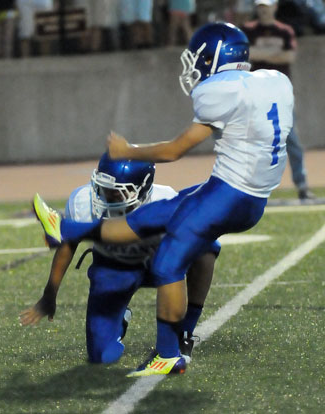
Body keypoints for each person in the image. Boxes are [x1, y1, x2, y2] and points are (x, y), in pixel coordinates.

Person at [32, 22, 294, 376]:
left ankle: (169, 354)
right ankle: (65, 227)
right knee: (149, 218)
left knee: (168, 264)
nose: (193, 67)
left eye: (198, 58)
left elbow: (173, 152)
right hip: (245, 194)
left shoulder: (222, 91)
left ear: (214, 57)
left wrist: (130, 150)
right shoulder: (272, 83)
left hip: (231, 195)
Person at [21, 153, 219, 364]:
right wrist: (49, 295)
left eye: (117, 193)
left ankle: (185, 333)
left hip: (156, 265)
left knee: (206, 248)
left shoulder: (164, 199)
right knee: (101, 355)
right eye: (102, 189)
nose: (106, 198)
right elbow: (68, 246)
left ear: (143, 189)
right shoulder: (82, 200)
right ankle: (119, 316)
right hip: (111, 270)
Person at [241, 0, 315, 200]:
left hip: (280, 95)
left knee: (292, 142)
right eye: (260, 7)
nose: (263, 11)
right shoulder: (247, 30)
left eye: (267, 6)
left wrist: (260, 55)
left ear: (275, 7)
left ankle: (302, 186)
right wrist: (274, 54)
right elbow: (245, 56)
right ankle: (251, 190)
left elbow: (289, 57)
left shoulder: (285, 30)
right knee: (254, 143)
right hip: (255, 95)